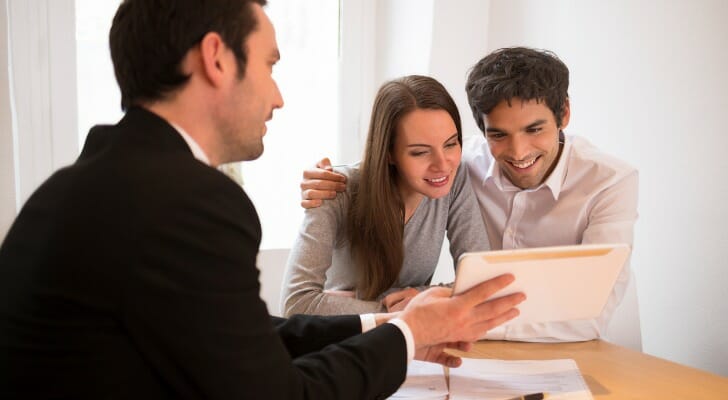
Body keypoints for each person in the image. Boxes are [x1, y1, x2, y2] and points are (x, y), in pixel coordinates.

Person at [0, 1, 526, 399]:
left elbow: (252, 335)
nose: (278, 96)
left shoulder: (82, 187)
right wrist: (409, 333)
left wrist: (388, 327)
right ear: (216, 58)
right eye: (269, 65)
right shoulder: (189, 203)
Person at [300, 47, 638, 342]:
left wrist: (435, 308)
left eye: (534, 129)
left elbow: (588, 313)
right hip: (430, 344)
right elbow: (390, 161)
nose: (518, 152)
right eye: (498, 135)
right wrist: (333, 180)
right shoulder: (460, 166)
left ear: (563, 114)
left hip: (566, 345)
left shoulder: (608, 182)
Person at [282, 75, 489, 317]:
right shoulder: (335, 189)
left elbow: (482, 282)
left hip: (409, 335)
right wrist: (400, 309)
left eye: (451, 144)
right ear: (388, 152)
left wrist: (421, 297)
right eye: (420, 152)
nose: (443, 165)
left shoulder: (456, 177)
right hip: (347, 336)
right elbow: (295, 304)